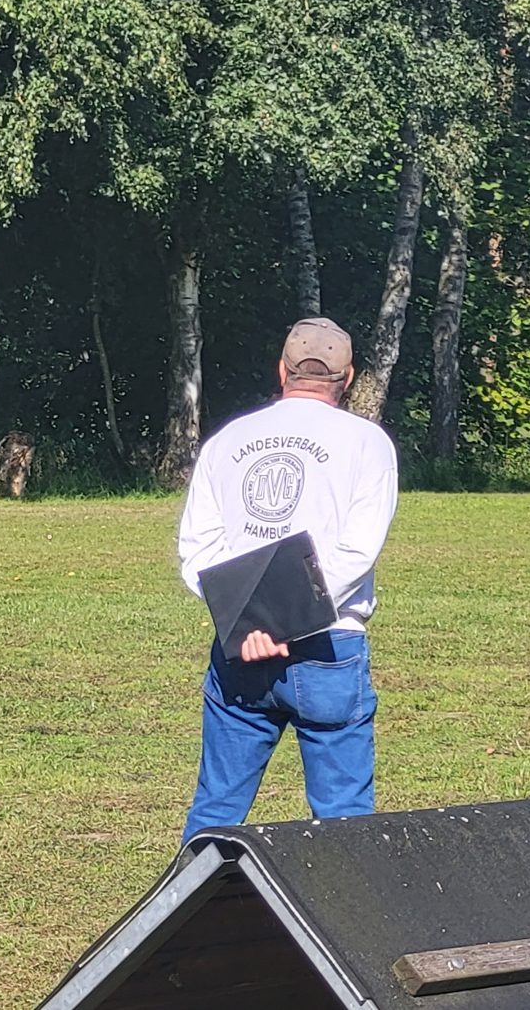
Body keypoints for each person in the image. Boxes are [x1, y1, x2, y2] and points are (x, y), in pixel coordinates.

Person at [176, 317, 398, 841]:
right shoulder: (368, 443)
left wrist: (252, 622)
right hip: (328, 646)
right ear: (348, 378)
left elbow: (197, 550)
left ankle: (192, 896)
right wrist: (283, 621)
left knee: (215, 811)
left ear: (282, 370)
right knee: (343, 821)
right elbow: (355, 552)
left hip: (239, 649)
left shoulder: (227, 440)